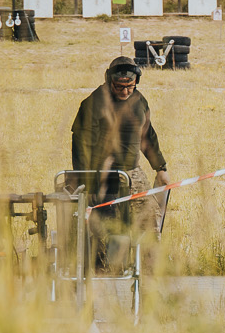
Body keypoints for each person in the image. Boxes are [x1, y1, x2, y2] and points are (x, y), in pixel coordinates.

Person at [71, 57, 169, 271]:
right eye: (119, 87)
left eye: (129, 86)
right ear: (109, 80)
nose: (125, 92)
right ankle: (101, 272)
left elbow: (148, 136)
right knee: (104, 228)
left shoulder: (139, 101)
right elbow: (80, 146)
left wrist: (160, 168)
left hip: (133, 174)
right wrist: (87, 182)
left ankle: (149, 273)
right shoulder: (93, 104)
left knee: (150, 219)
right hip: (101, 176)